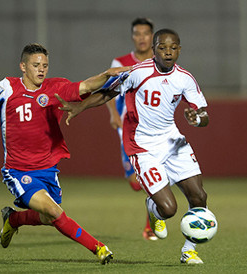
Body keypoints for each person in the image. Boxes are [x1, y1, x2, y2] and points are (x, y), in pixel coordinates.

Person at [0, 43, 130, 264]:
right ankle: (99, 248)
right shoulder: (7, 87)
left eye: (45, 65)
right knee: (54, 212)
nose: (41, 69)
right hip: (18, 171)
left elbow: (85, 86)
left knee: (48, 217)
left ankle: (13, 219)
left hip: (47, 169)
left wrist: (106, 75)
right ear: (23, 66)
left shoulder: (55, 88)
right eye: (36, 65)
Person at [57, 29, 211, 264]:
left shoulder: (185, 78)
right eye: (162, 47)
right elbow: (108, 92)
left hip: (171, 140)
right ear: (153, 49)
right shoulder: (137, 73)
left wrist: (196, 119)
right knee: (169, 209)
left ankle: (189, 251)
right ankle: (153, 208)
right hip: (142, 145)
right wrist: (81, 107)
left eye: (173, 48)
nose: (168, 52)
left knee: (199, 197)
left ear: (179, 49)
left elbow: (203, 114)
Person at [106, 17, 157, 241]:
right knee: (136, 183)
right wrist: (113, 115)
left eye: (146, 33)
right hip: (127, 129)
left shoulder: (160, 61)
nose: (142, 38)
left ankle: (151, 226)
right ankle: (154, 205)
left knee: (152, 178)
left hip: (153, 130)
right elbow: (109, 91)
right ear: (133, 36)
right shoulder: (121, 62)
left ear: (152, 37)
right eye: (137, 34)